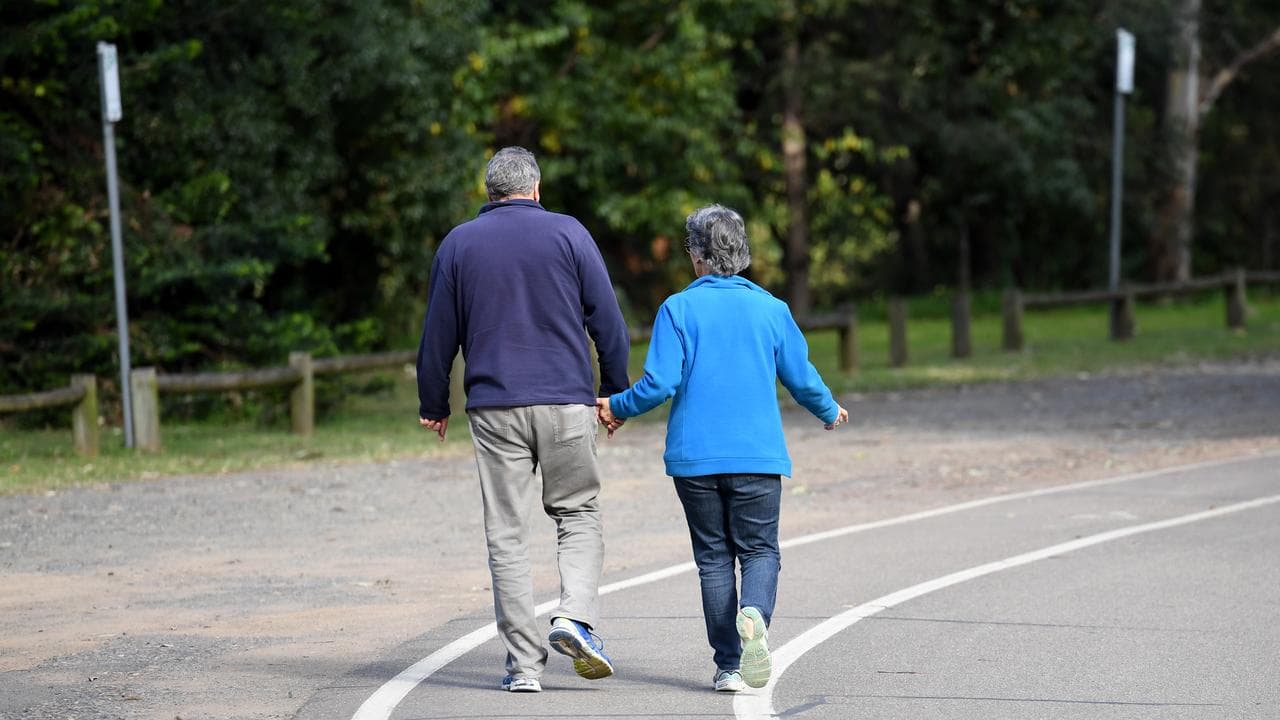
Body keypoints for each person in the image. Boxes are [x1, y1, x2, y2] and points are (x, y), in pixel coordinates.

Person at [596, 204, 848, 693]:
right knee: (759, 551)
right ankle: (754, 613)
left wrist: (619, 407)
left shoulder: (677, 309)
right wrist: (827, 409)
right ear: (743, 252)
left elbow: (660, 382)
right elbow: (801, 377)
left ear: (696, 257)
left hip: (695, 460)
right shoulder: (772, 309)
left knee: (713, 558)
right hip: (757, 455)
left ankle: (728, 665)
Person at [417, 146, 631, 693]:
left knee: (507, 536)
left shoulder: (459, 243)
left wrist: (433, 403)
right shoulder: (569, 234)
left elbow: (438, 334)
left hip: (494, 408)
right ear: (536, 189)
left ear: (490, 193)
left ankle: (524, 668)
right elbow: (607, 319)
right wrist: (614, 391)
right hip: (565, 402)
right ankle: (573, 617)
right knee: (578, 513)